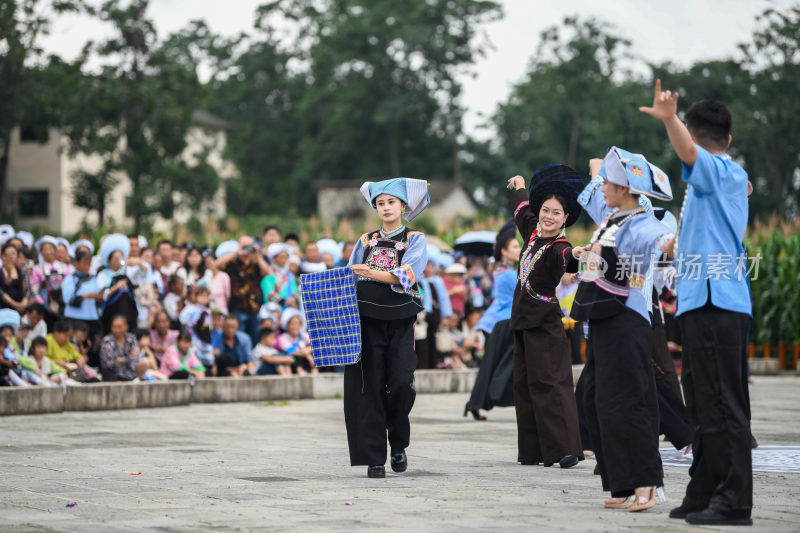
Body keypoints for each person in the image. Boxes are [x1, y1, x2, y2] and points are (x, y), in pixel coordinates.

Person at [640, 80, 753, 526]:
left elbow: (690, 156)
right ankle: (705, 490)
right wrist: (674, 246)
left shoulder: (723, 171)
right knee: (704, 406)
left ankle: (735, 501)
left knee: (723, 404)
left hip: (718, 301)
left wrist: (669, 119)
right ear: (728, 135)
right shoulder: (713, 184)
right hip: (699, 300)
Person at [572, 146, 674, 511]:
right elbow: (596, 167)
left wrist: (680, 236)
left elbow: (663, 245)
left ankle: (645, 482)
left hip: (627, 320)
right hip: (601, 319)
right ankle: (620, 483)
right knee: (595, 399)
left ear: (625, 188)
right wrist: (590, 255)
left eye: (608, 183)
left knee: (630, 401)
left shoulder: (645, 223)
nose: (600, 187)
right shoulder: (611, 216)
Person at [344, 177, 429, 478]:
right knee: (371, 386)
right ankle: (375, 457)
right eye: (380, 203)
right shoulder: (364, 241)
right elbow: (350, 277)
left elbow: (407, 275)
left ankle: (399, 442)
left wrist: (372, 272)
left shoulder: (415, 239)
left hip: (401, 319)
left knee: (401, 382)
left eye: (391, 202)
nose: (386, 207)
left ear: (403, 206)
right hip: (366, 320)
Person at [506, 165, 585, 470]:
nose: (549, 216)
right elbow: (523, 208)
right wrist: (521, 185)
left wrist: (576, 256)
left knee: (551, 383)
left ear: (566, 218)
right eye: (546, 210)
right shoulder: (532, 232)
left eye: (556, 213)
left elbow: (566, 258)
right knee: (525, 385)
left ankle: (565, 449)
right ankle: (533, 450)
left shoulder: (559, 246)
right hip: (522, 322)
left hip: (545, 323)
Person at [466, 220, 520, 420]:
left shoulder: (503, 271)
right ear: (504, 252)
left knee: (490, 365)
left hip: (500, 322)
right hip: (506, 323)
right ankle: (484, 399)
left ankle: (476, 402)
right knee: (502, 364)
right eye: (515, 247)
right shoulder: (508, 274)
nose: (519, 249)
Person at [215, 236, 270, 344]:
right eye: (245, 246)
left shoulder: (255, 263)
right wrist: (237, 252)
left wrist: (257, 255)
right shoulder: (232, 262)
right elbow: (217, 265)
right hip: (238, 308)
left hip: (254, 309)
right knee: (238, 338)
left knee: (254, 338)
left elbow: (268, 272)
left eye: (249, 246)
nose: (247, 249)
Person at [61, 250, 103, 344]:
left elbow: (99, 295)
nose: (87, 266)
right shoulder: (70, 279)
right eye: (84, 263)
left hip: (92, 317)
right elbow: (67, 298)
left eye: (89, 264)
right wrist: (86, 296)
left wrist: (99, 296)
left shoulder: (93, 279)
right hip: (74, 318)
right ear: (77, 262)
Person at [179, 286, 214, 368]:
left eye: (206, 296)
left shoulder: (208, 311)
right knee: (194, 358)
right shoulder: (191, 308)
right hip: (193, 338)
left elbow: (210, 326)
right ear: (196, 297)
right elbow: (182, 319)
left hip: (204, 339)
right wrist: (193, 324)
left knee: (207, 359)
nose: (203, 299)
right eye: (201, 296)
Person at [99, 315, 143, 382]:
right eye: (114, 327)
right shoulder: (107, 341)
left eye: (119, 327)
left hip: (131, 374)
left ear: (126, 327)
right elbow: (109, 364)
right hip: (113, 376)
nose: (117, 330)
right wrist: (128, 359)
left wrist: (121, 360)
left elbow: (136, 358)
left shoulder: (131, 338)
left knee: (144, 363)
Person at [277, 308, 316, 375]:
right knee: (295, 357)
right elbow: (292, 351)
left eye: (297, 324)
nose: (295, 327)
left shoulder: (304, 335)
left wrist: (308, 353)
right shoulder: (283, 337)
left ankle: (315, 374)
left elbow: (314, 345)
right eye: (292, 324)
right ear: (287, 326)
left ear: (300, 325)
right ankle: (301, 373)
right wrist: (307, 355)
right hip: (292, 363)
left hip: (306, 360)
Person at [1, 243, 28, 313]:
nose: (11, 256)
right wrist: (15, 304)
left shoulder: (20, 271)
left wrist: (23, 302)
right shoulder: (1, 271)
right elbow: (3, 288)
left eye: (13, 253)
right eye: (8, 254)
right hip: (4, 307)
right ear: (3, 256)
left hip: (20, 306)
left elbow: (26, 289)